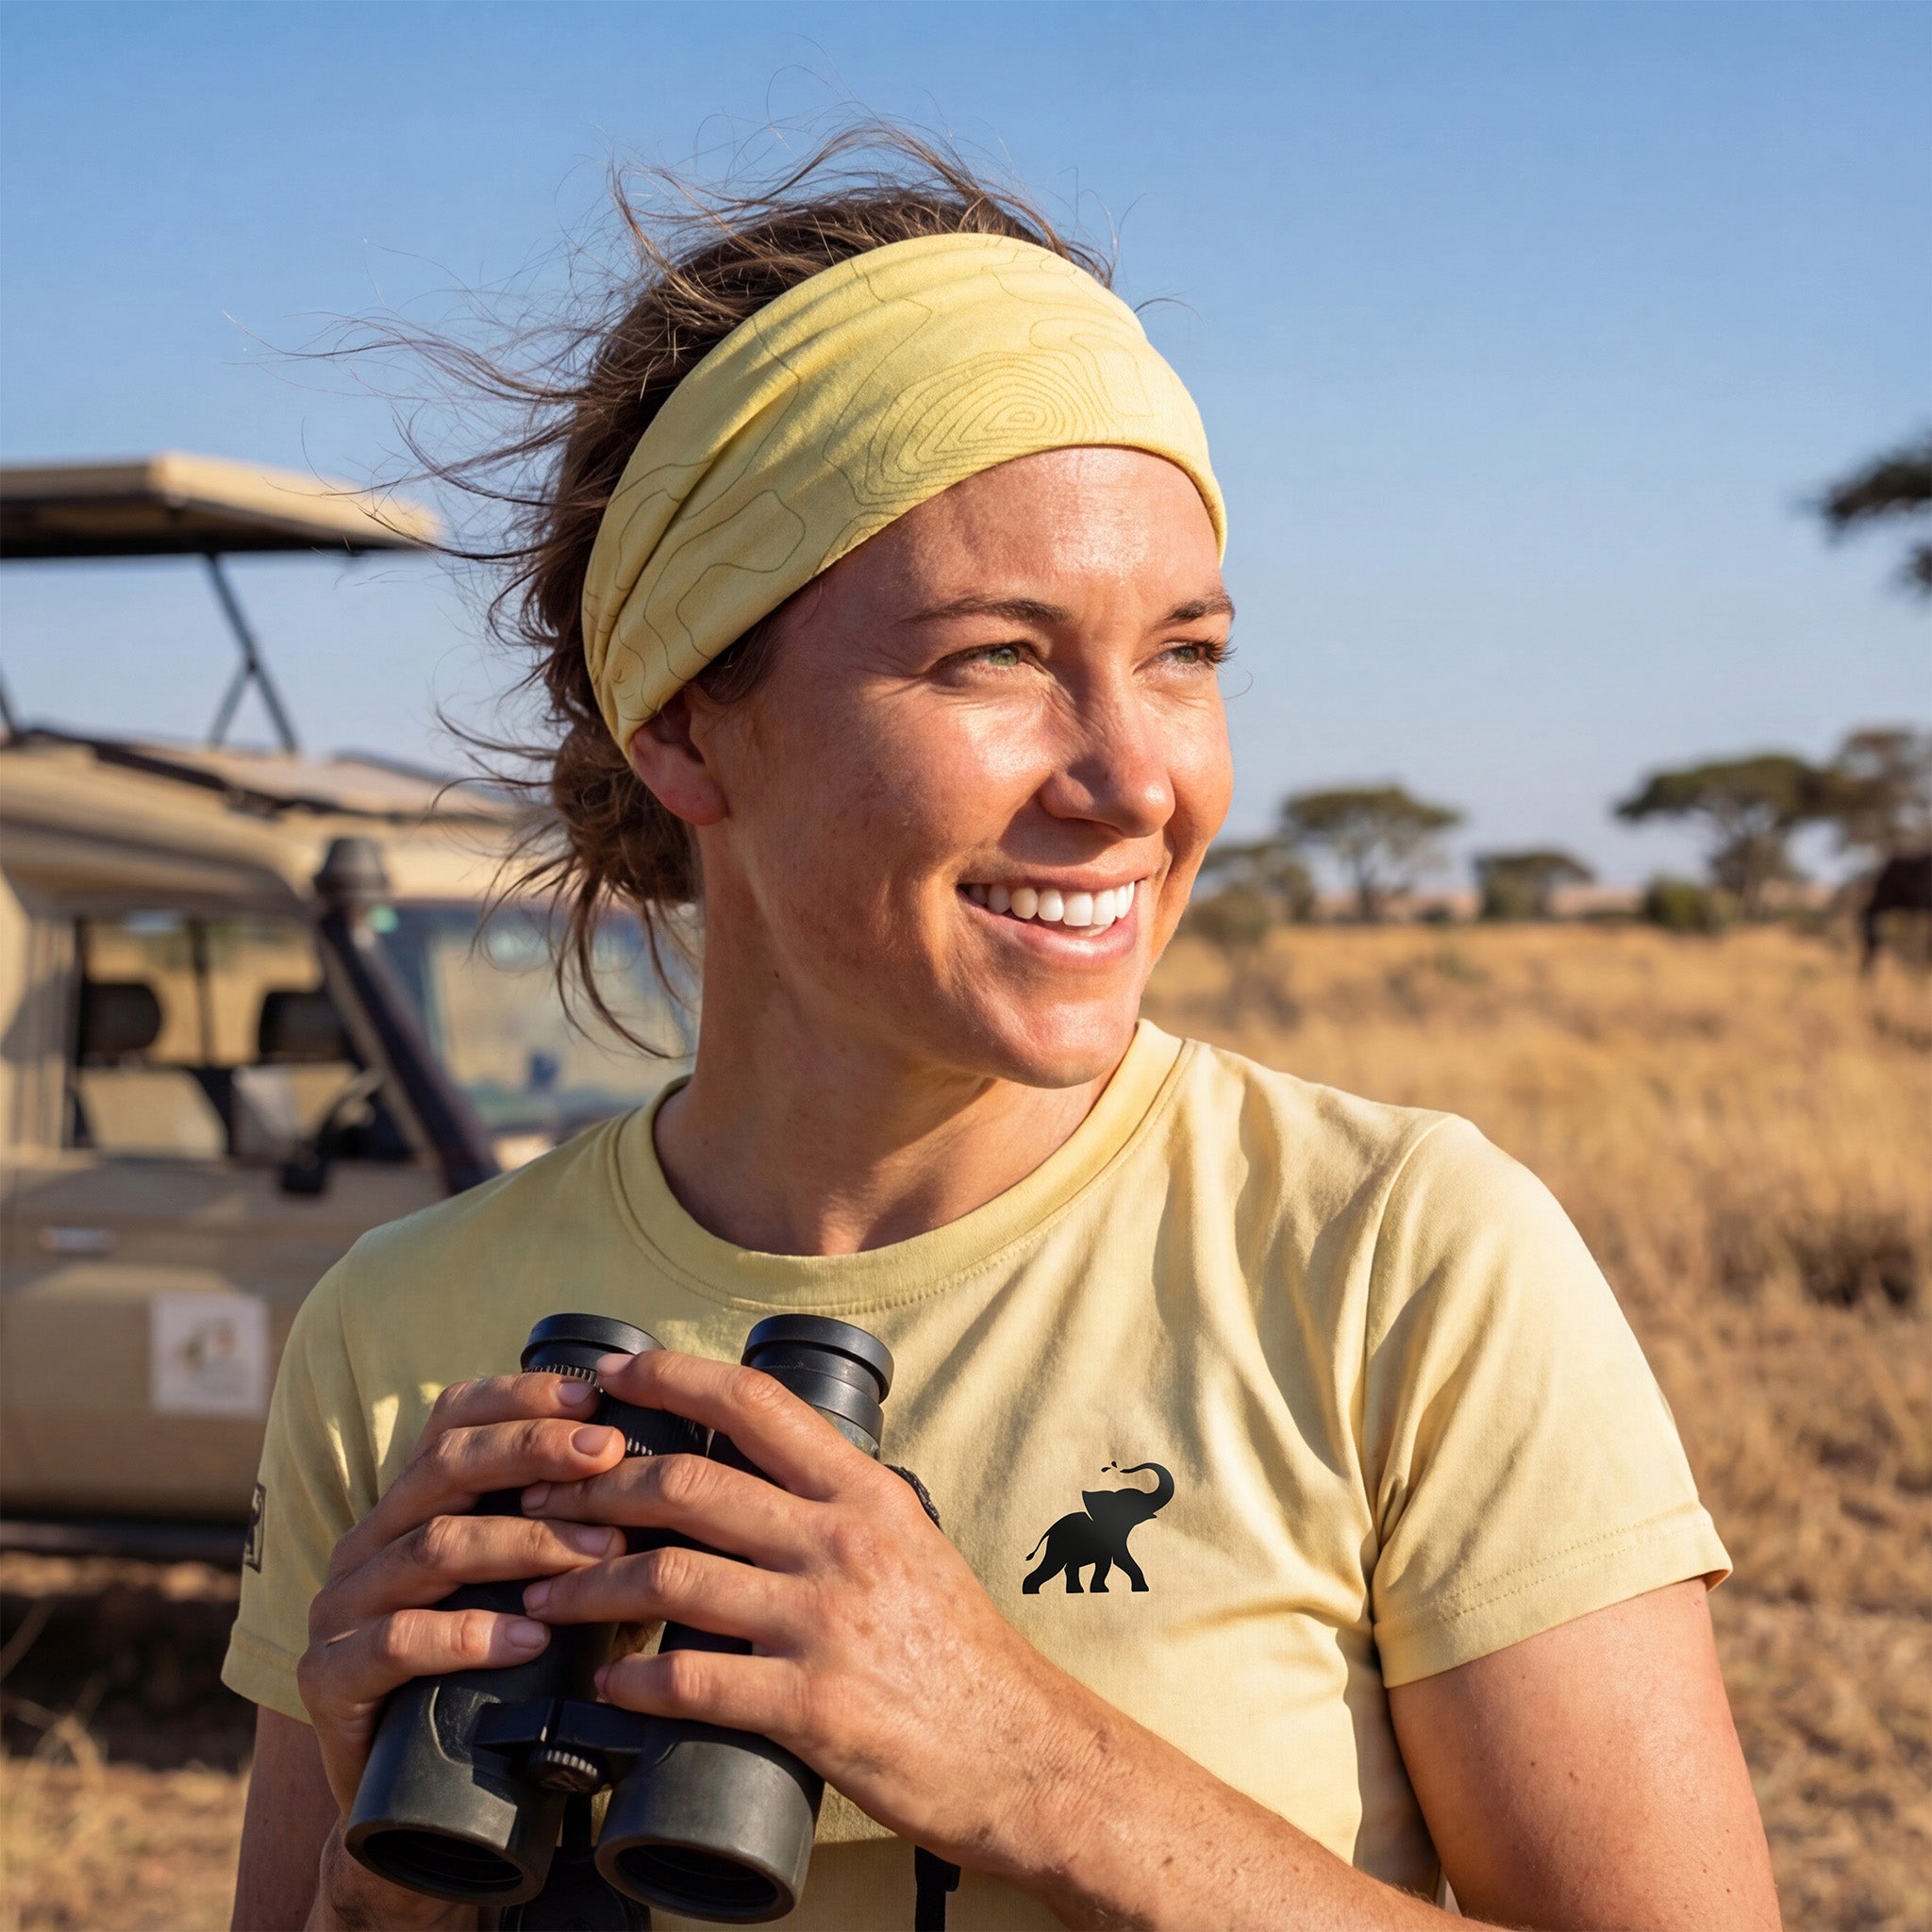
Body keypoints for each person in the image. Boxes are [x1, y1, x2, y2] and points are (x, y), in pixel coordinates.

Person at [226, 135, 1780, 1932]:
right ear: (684, 728)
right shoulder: (403, 1329)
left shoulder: (1393, 1258)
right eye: (999, 657)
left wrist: (1030, 1762)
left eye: (1185, 653)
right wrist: (380, 1890)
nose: (1138, 781)